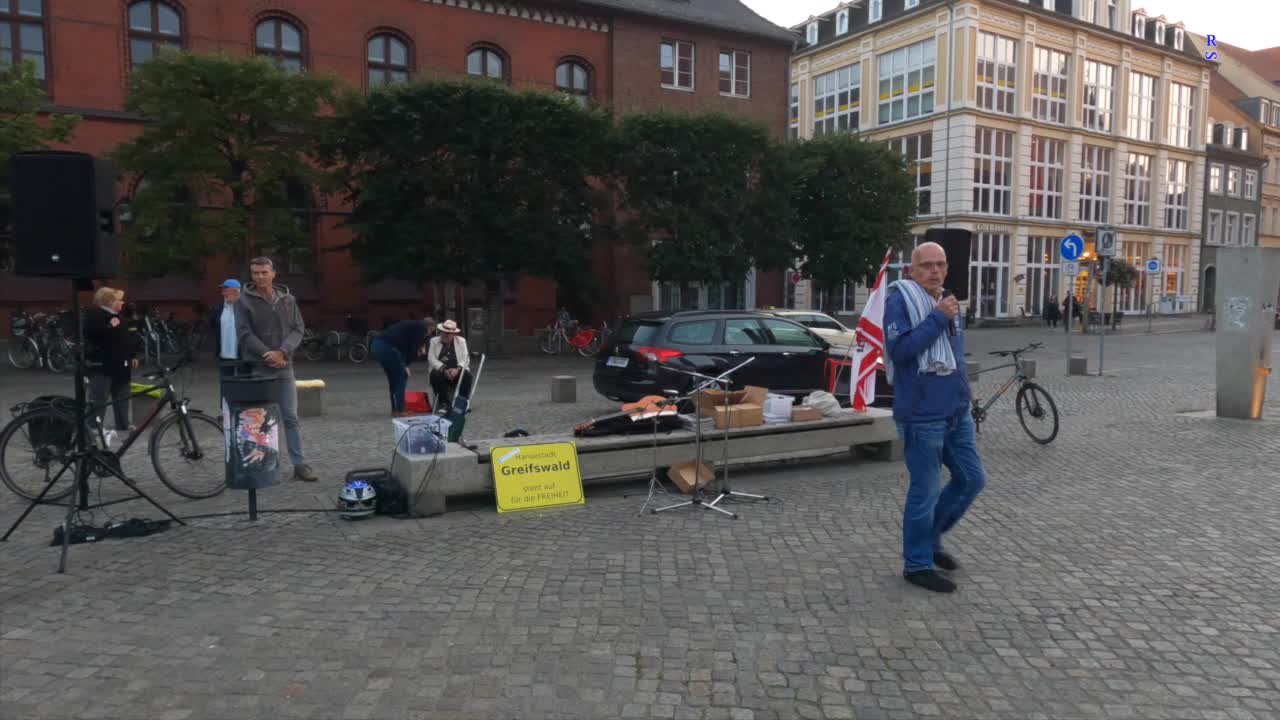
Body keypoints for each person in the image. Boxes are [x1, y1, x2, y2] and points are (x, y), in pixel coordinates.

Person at [883, 241, 987, 594]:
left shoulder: (947, 301)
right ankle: (917, 564)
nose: (935, 271)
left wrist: (965, 397)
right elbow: (900, 351)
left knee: (972, 479)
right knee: (924, 491)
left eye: (940, 264)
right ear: (911, 270)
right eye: (927, 265)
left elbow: (955, 355)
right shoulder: (900, 301)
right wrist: (938, 318)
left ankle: (930, 540)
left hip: (956, 411)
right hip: (921, 415)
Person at [235, 257, 317, 482]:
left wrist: (282, 351)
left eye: (264, 272)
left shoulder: (288, 299)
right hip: (259, 367)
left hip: (284, 366)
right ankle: (264, 466)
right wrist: (267, 354)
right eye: (256, 273)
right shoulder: (243, 301)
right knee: (261, 419)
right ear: (251, 276)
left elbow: (298, 328)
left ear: (273, 274)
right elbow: (244, 333)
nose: (260, 277)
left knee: (291, 417)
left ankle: (299, 465)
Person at [83, 287, 139, 431]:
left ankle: (123, 423)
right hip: (103, 365)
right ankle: (93, 425)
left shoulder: (119, 316)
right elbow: (93, 335)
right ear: (109, 301)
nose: (122, 302)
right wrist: (109, 326)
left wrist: (132, 355)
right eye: (119, 300)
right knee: (99, 396)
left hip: (121, 364)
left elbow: (126, 339)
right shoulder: (95, 315)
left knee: (122, 395)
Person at [370, 318, 432, 417]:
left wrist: (406, 362)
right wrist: (407, 364)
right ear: (429, 328)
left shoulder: (413, 325)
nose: (428, 334)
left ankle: (396, 409)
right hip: (387, 347)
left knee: (393, 378)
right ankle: (400, 410)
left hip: (377, 344)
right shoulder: (421, 329)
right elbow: (412, 349)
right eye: (431, 331)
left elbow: (405, 347)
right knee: (401, 376)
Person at [427, 319, 472, 413]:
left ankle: (462, 403)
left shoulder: (461, 341)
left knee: (467, 375)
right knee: (435, 375)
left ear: (454, 334)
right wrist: (443, 369)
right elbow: (431, 358)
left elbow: (466, 358)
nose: (445, 335)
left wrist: (457, 369)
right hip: (441, 371)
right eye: (443, 332)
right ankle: (444, 404)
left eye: (448, 333)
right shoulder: (434, 341)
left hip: (457, 370)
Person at [209, 279, 242, 375]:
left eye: (226, 290)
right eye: (223, 291)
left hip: (242, 355)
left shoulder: (245, 308)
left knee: (244, 382)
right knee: (226, 382)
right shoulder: (218, 309)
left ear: (236, 291)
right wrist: (215, 348)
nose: (223, 293)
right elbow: (213, 329)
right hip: (224, 356)